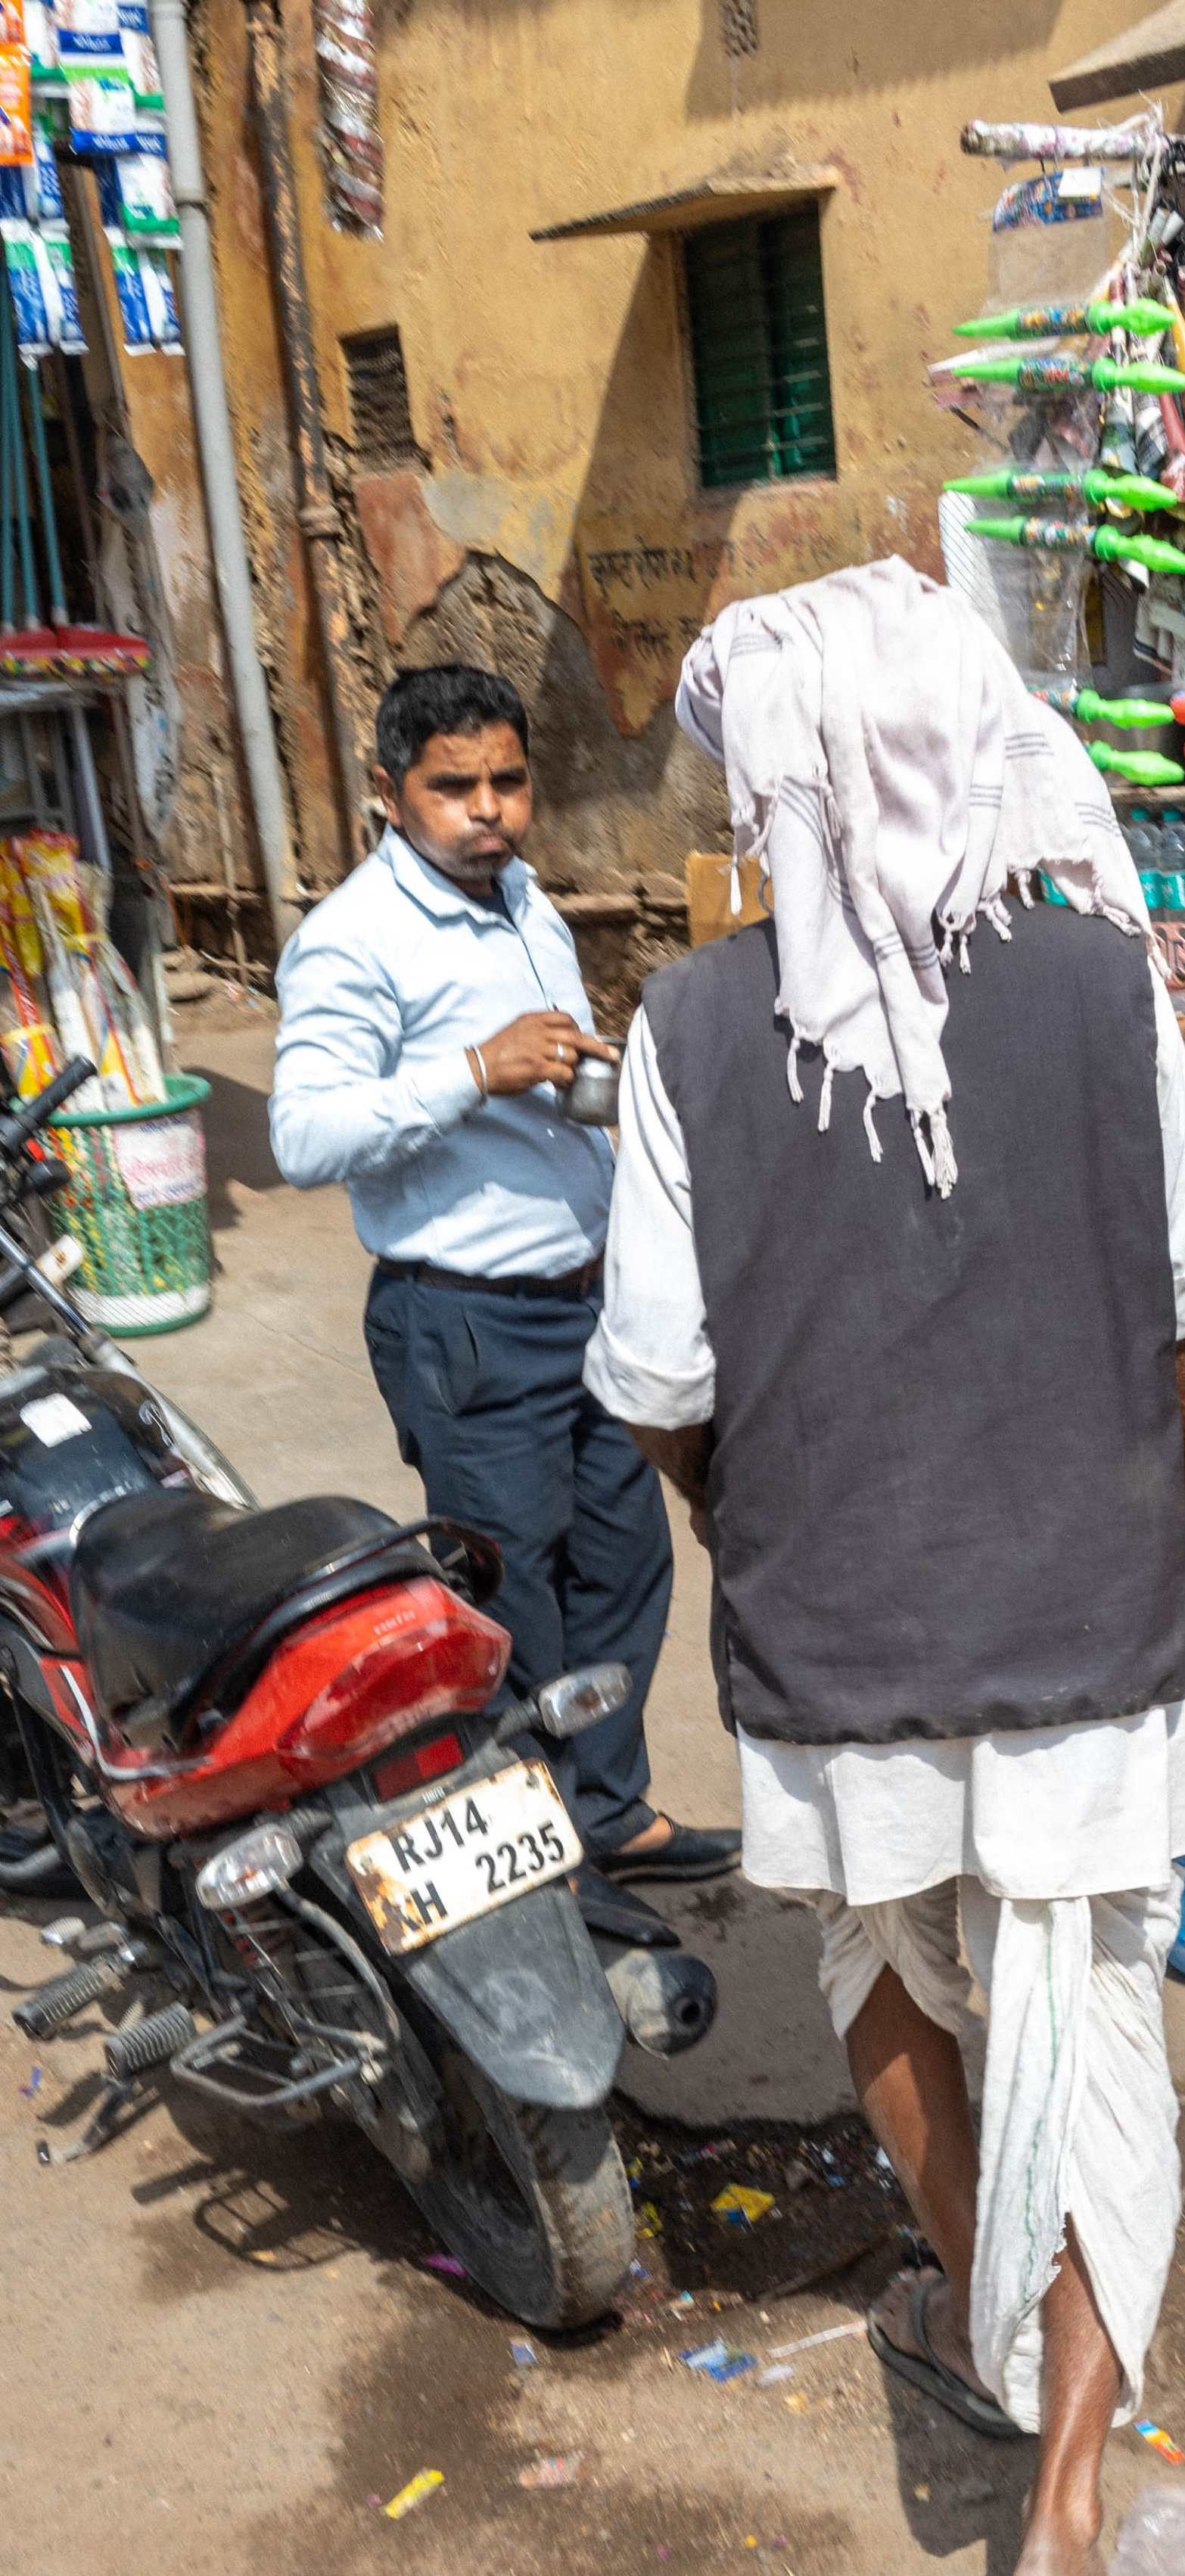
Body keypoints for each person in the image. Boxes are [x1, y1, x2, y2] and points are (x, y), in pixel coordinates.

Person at [583, 559, 1185, 2576]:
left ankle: (988, 2336)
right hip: (1084, 1626)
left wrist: (731, 1506)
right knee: (1091, 2018)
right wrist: (1156, 1516)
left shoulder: (686, 1032)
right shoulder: (1101, 983)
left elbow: (663, 1373)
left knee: (897, 1969)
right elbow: (1184, 1306)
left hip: (833, 1631)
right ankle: (1064, 2516)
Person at [269, 662, 739, 1886]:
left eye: (509, 781)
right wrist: (471, 1070)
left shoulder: (522, 900)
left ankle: (609, 1814)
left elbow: (546, 1076)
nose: (488, 809)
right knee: (511, 1604)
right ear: (389, 791)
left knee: (624, 1568)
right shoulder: (352, 943)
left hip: (587, 1303)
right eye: (454, 787)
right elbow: (303, 1136)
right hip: (467, 1326)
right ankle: (540, 1870)